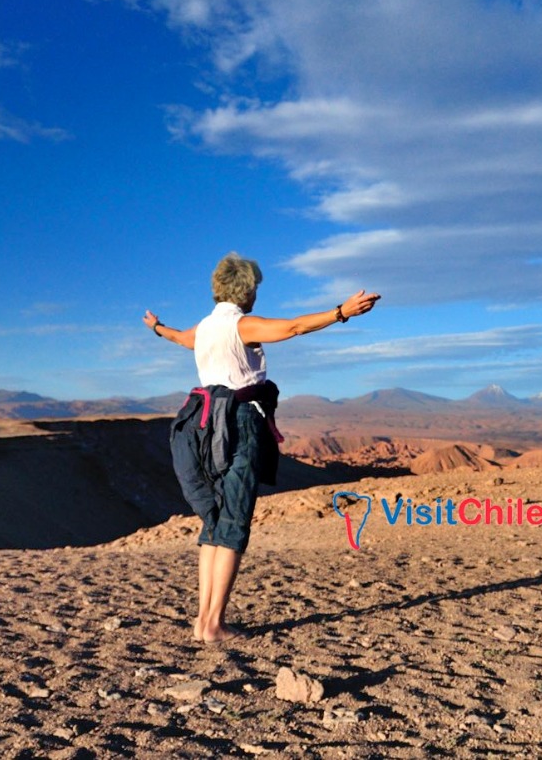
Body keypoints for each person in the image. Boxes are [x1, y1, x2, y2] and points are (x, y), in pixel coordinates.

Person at [144, 252, 380, 643]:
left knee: (215, 522)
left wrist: (156, 327)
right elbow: (293, 327)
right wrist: (343, 312)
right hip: (238, 423)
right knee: (234, 522)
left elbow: (179, 339)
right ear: (246, 291)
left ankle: (203, 620)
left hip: (202, 424)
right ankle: (214, 625)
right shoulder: (242, 325)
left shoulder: (203, 328)